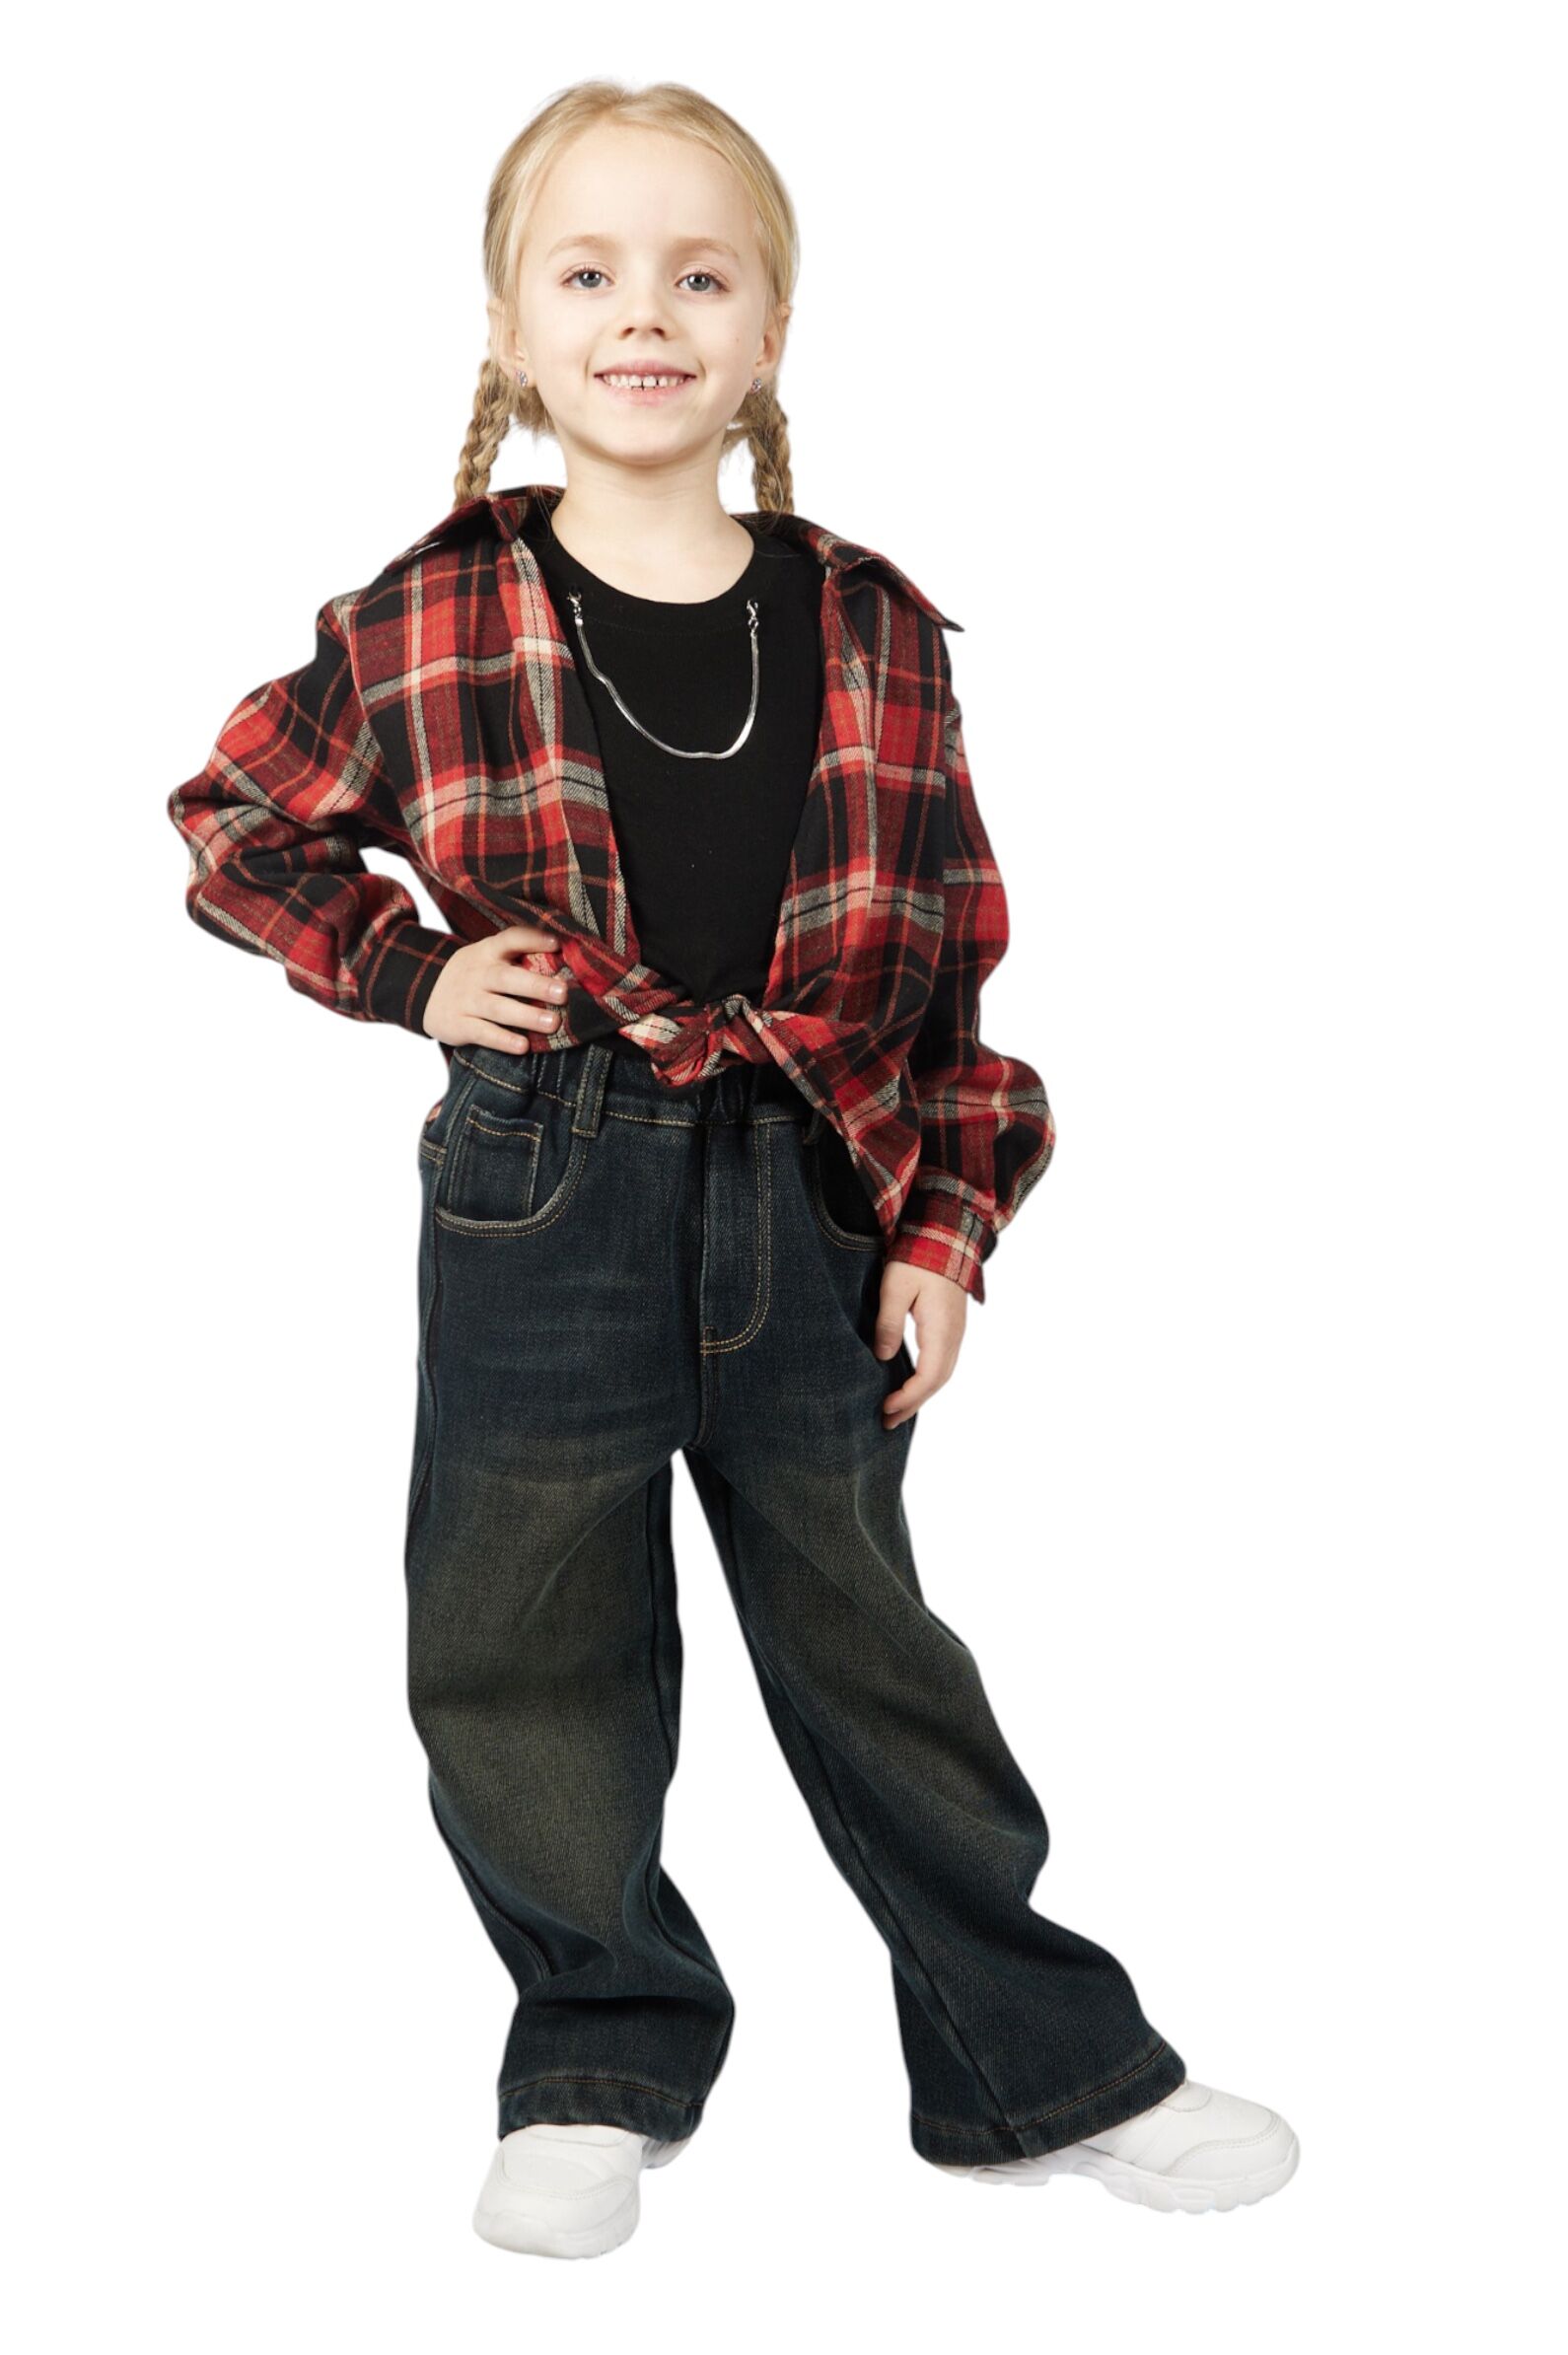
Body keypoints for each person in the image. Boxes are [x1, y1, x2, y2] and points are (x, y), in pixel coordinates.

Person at [166, 79, 1298, 2261]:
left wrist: (945, 1229)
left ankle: (1038, 2066)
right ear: (511, 327)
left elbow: (947, 967)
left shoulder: (870, 626)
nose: (644, 315)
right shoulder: (420, 618)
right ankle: (596, 2054)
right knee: (523, 1638)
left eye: (700, 275)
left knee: (873, 1650)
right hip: (544, 1188)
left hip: (816, 1191)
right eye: (588, 272)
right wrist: (412, 970)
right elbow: (233, 827)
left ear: (769, 330)